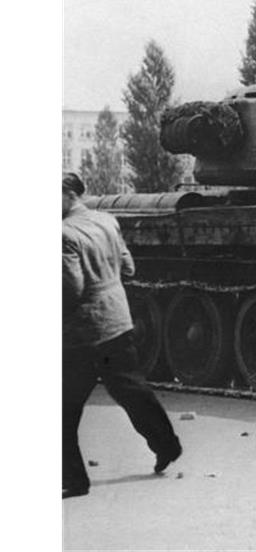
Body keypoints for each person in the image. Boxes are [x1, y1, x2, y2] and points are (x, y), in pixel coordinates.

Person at [63, 172, 182, 499]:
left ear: (65, 195)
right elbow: (128, 268)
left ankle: (73, 480)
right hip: (118, 321)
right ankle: (167, 444)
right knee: (130, 387)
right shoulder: (106, 221)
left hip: (82, 334)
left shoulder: (62, 234)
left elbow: (69, 290)